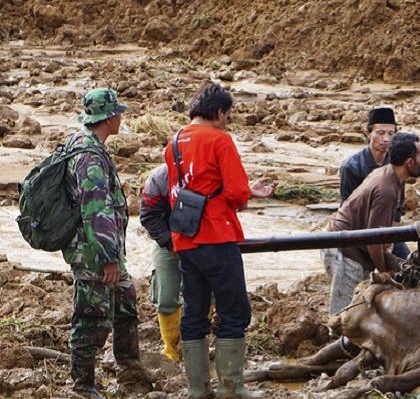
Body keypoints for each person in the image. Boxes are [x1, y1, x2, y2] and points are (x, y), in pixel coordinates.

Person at [164, 83, 273, 399]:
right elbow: (237, 193)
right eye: (227, 115)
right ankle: (232, 387)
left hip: (186, 238)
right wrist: (245, 194)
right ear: (218, 112)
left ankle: (198, 389)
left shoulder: (173, 143)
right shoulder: (220, 141)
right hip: (217, 235)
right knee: (234, 311)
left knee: (194, 312)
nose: (227, 121)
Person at [63, 88, 153, 398]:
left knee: (125, 303)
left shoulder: (87, 145)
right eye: (118, 113)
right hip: (94, 252)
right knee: (90, 317)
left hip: (104, 249)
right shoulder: (89, 156)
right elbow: (94, 209)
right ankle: (83, 384)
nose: (121, 118)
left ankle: (129, 369)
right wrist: (108, 258)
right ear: (109, 117)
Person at [324, 132, 420, 315]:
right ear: (409, 162)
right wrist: (385, 269)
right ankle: (338, 340)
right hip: (345, 250)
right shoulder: (386, 190)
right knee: (344, 314)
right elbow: (373, 238)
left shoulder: (390, 175)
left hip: (349, 243)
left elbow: (386, 228)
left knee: (357, 310)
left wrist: (388, 249)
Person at [338, 107, 409, 259]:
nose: (386, 139)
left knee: (408, 264)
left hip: (387, 227)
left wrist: (390, 238)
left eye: (391, 134)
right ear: (368, 134)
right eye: (380, 133)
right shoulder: (352, 166)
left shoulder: (396, 163)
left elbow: (398, 206)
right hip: (358, 231)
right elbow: (348, 207)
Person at [140, 163, 183, 361]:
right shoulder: (159, 178)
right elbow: (148, 216)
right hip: (168, 241)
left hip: (204, 241)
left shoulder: (208, 170)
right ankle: (171, 349)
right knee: (165, 296)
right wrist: (170, 242)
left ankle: (197, 342)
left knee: (207, 294)